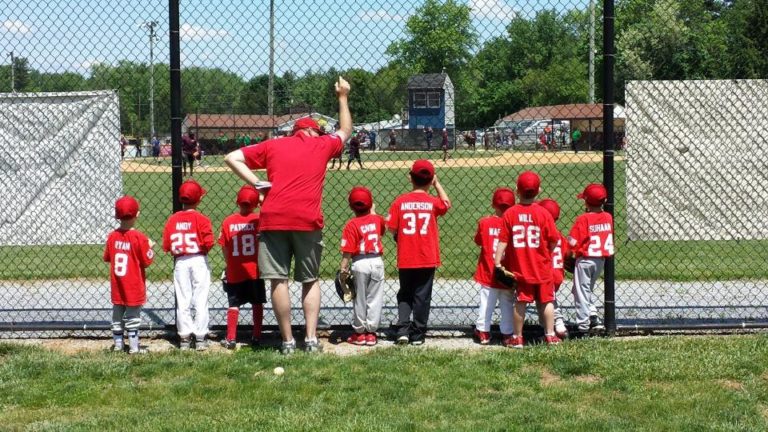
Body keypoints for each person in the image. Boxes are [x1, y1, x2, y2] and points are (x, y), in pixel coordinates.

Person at [224, 77, 352, 355]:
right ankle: (310, 339)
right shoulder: (321, 145)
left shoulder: (273, 145)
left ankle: (286, 341)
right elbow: (345, 129)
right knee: (310, 280)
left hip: (273, 218)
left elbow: (232, 157)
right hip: (307, 220)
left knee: (278, 281)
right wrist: (342, 96)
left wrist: (257, 183)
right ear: (312, 132)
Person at [386, 159, 451, 345]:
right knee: (422, 295)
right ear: (431, 180)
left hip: (406, 257)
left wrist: (398, 234)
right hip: (427, 257)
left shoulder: (400, 201)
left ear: (410, 178)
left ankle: (403, 330)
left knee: (405, 293)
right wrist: (437, 184)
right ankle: (418, 333)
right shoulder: (432, 202)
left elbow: (390, 227)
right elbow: (446, 204)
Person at [493, 171, 561, 348]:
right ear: (539, 190)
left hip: (521, 269)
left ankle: (517, 337)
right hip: (542, 267)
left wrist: (497, 262)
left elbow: (503, 241)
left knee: (521, 301)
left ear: (517, 191)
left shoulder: (510, 214)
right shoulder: (544, 213)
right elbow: (554, 239)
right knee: (547, 301)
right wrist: (548, 253)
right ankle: (550, 335)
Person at [162, 179, 215, 350]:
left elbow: (166, 245)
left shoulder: (172, 219)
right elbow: (209, 242)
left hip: (180, 262)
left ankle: (184, 337)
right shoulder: (202, 219)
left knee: (183, 299)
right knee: (201, 298)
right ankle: (200, 337)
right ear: (199, 200)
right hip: (199, 259)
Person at [103, 195, 154, 354]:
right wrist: (150, 247)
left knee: (117, 318)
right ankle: (134, 348)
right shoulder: (139, 237)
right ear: (137, 214)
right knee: (132, 318)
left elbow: (107, 257)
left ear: (116, 216)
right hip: (133, 287)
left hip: (117, 286)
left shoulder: (112, 236)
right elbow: (146, 261)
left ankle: (118, 345)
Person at [218, 185, 265, 349]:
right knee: (257, 302)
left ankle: (231, 338)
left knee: (233, 304)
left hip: (235, 269)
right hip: (255, 269)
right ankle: (257, 336)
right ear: (256, 204)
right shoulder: (259, 220)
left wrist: (228, 263)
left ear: (237, 201)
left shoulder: (228, 221)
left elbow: (224, 246)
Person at [339, 186, 386, 346]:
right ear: (371, 204)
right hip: (377, 261)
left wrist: (343, 268)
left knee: (360, 298)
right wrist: (373, 212)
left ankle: (359, 333)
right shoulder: (378, 219)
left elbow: (347, 251)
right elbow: (382, 228)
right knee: (375, 297)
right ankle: (371, 333)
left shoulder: (351, 224)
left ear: (351, 206)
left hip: (359, 262)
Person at [568, 183, 614, 335]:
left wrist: (569, 252)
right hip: (600, 260)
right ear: (605, 200)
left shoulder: (583, 219)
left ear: (586, 202)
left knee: (581, 292)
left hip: (585, 260)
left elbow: (573, 241)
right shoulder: (608, 217)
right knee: (582, 290)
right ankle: (593, 315)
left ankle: (583, 327)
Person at [472, 188, 515, 345]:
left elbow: (478, 241)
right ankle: (508, 334)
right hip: (507, 272)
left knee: (486, 303)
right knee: (507, 304)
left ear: (492, 204)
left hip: (488, 272)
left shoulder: (484, 222)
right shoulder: (513, 224)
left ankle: (483, 332)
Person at [537, 198, 570, 338]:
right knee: (550, 299)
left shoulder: (540, 236)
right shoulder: (561, 237)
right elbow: (567, 254)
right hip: (558, 274)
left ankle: (558, 327)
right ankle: (554, 328)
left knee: (545, 301)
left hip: (546, 274)